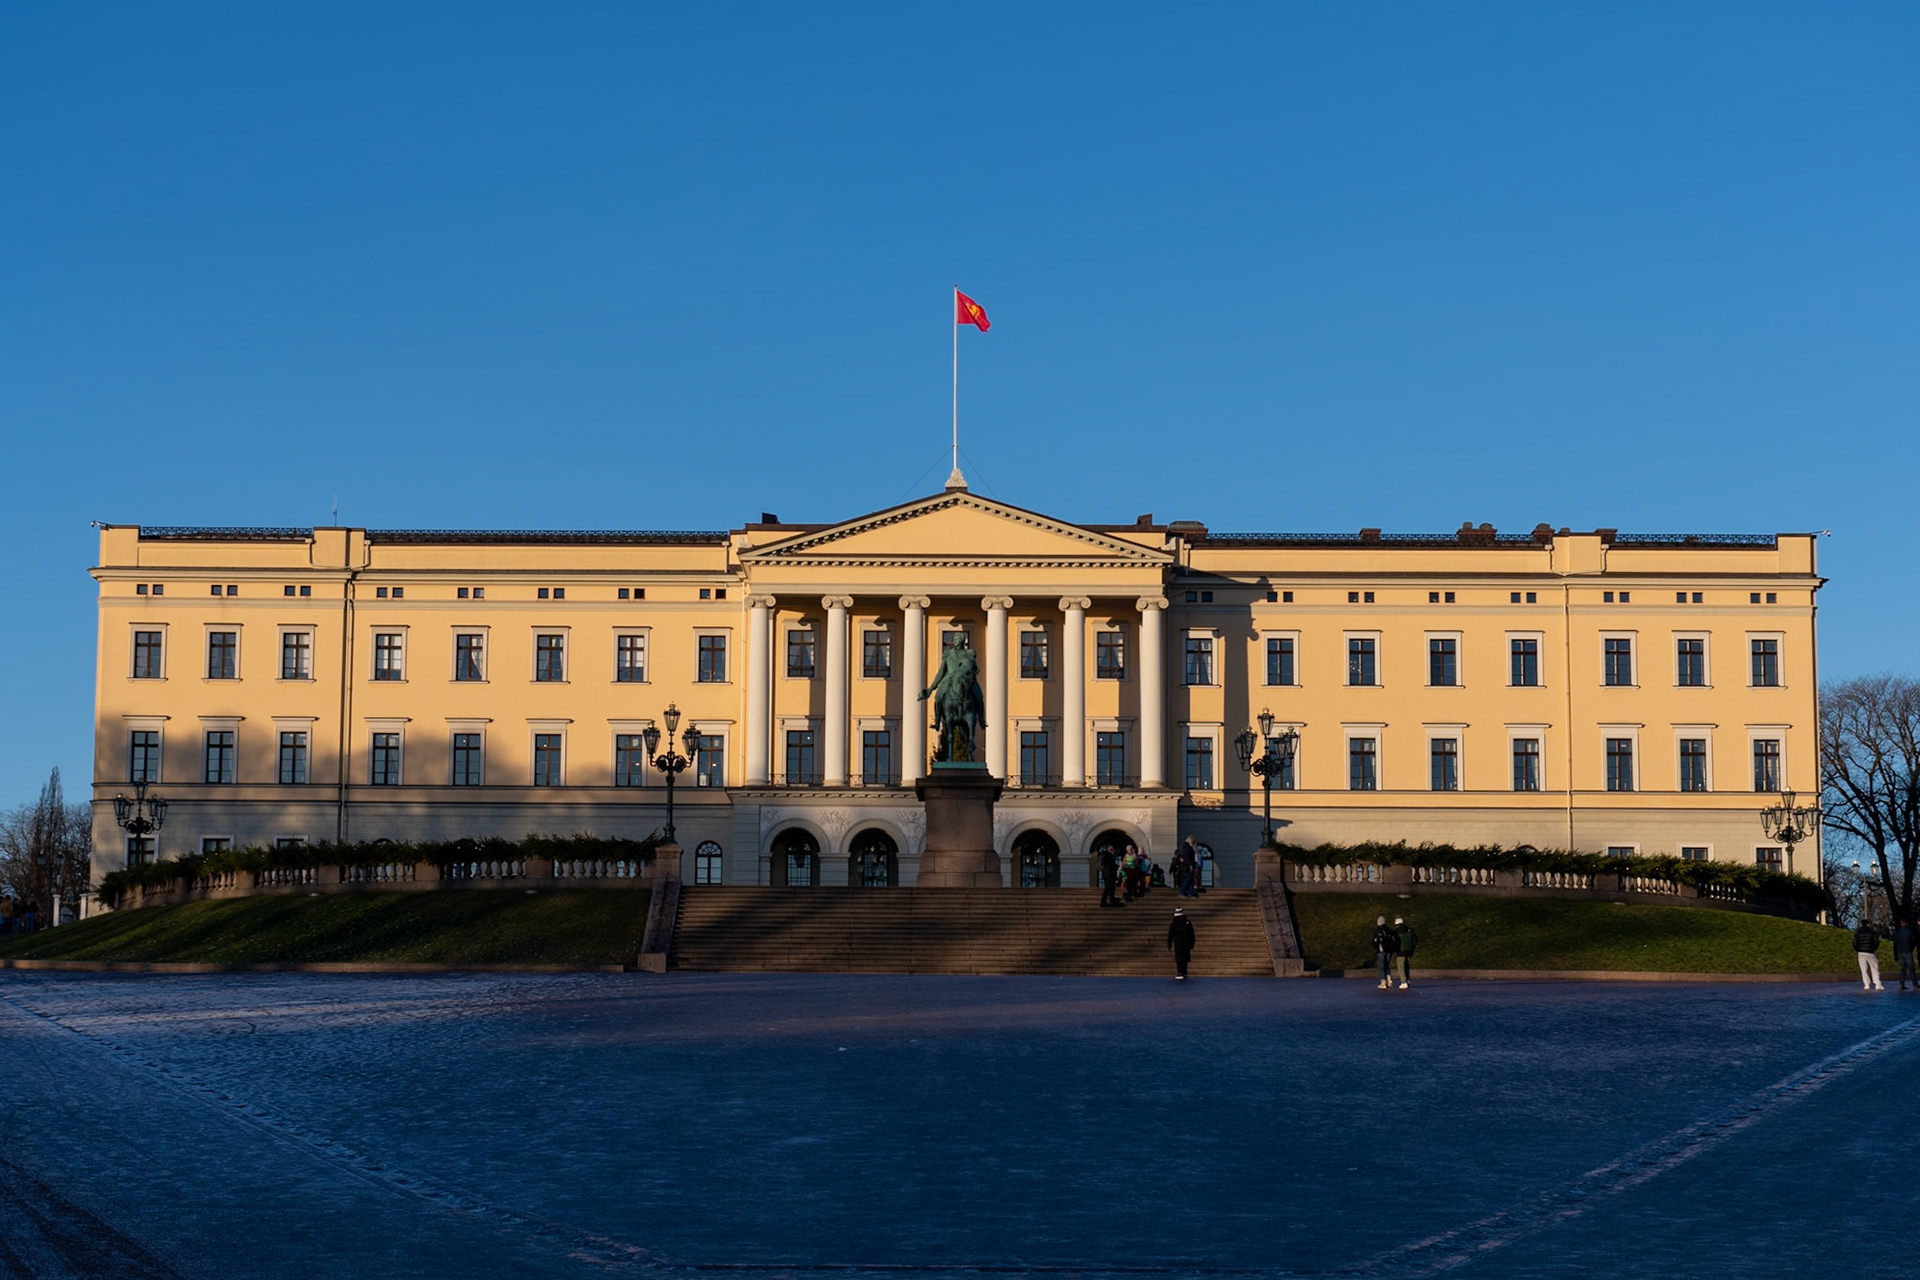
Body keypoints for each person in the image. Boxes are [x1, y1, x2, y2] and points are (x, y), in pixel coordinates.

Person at [1855, 919, 1885, 991]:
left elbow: (1854, 943)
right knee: (1874, 968)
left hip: (1861, 952)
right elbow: (1876, 942)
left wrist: (1858, 949)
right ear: (1868, 924)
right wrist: (1873, 949)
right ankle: (1877, 984)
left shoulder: (1858, 932)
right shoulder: (1872, 932)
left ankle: (1866, 984)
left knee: (1863, 969)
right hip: (1870, 952)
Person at [1167, 907, 1196, 980]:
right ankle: (1184, 972)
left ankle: (1180, 971)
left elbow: (1171, 934)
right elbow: (1192, 934)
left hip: (1178, 943)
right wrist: (1192, 943)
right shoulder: (1187, 922)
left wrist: (1169, 943)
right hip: (1186, 943)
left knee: (1179, 958)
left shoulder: (1174, 924)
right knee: (1185, 958)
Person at [1372, 915, 1398, 989]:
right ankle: (1389, 979)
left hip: (1381, 950)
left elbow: (1375, 941)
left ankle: (1383, 982)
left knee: (1382, 966)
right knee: (1386, 965)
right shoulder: (1390, 930)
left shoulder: (1378, 931)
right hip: (1389, 950)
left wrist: (1376, 947)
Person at [1393, 915, 1416, 990]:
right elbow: (1415, 940)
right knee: (1407, 966)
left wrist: (1395, 950)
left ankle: (1403, 982)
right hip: (1409, 951)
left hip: (1400, 952)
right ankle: (1407, 980)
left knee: (1401, 967)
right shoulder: (1409, 930)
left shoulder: (1396, 931)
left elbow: (1395, 942)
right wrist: (1412, 948)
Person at [1894, 916, 1917, 992]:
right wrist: (1911, 948)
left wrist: (1895, 954)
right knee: (1911, 969)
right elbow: (1913, 940)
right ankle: (1915, 984)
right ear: (1906, 923)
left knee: (1903, 969)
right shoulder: (1909, 931)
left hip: (1900, 952)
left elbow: (1895, 943)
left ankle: (1901, 984)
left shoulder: (1897, 932)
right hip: (1908, 951)